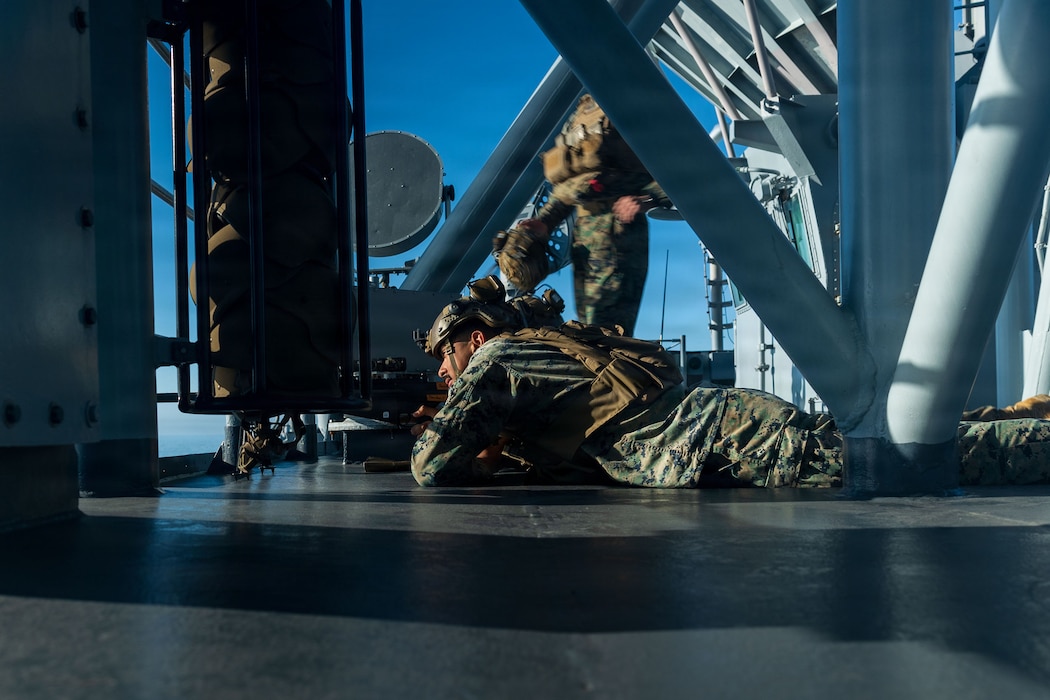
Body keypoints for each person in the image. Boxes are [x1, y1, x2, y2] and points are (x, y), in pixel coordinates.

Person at [409, 277, 1050, 489]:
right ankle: (1029, 416)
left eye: (445, 354)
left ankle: (1035, 440)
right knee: (878, 440)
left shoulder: (497, 359)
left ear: (473, 338)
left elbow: (430, 466)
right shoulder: (538, 351)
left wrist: (459, 441)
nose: (443, 370)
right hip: (724, 426)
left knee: (900, 461)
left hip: (726, 439)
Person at [494, 94, 672, 336]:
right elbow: (573, 182)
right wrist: (544, 221)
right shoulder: (583, 112)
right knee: (588, 328)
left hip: (618, 234)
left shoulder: (632, 103)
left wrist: (649, 198)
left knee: (608, 332)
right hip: (584, 239)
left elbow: (678, 164)